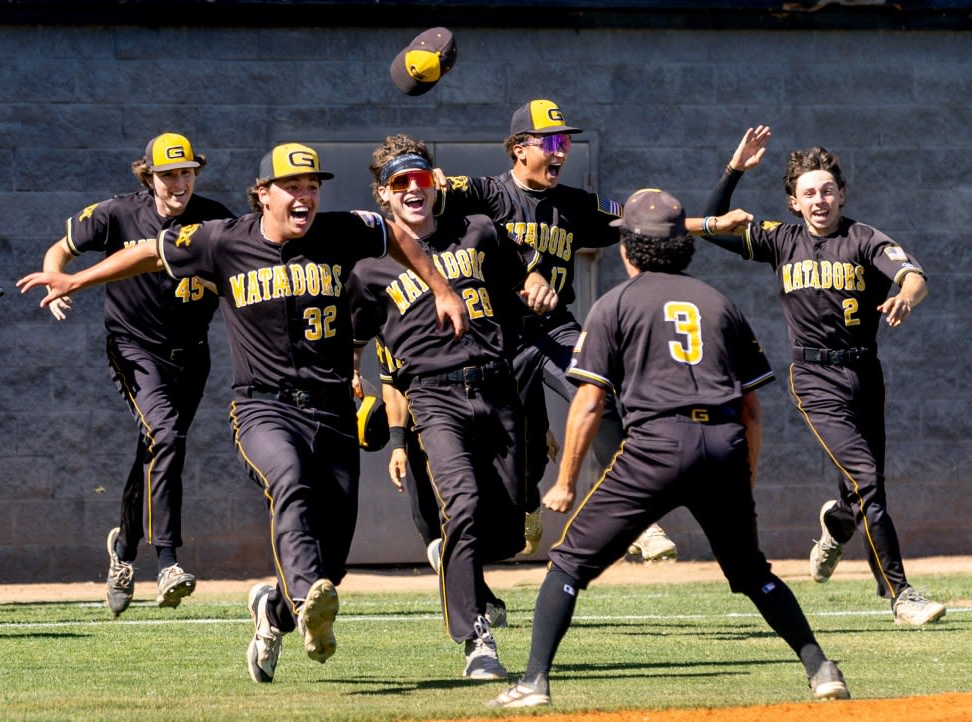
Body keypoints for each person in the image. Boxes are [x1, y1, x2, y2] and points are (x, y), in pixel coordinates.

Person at [18, 141, 468, 683]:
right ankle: (303, 600)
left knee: (336, 559)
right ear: (263, 194)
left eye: (312, 186)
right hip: (262, 408)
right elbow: (147, 252)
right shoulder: (221, 239)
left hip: (331, 412)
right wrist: (75, 279)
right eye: (292, 187)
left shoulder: (340, 229)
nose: (305, 196)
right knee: (291, 482)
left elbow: (395, 236)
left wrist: (442, 288)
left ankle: (274, 610)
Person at [488, 189, 849, 708]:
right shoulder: (719, 303)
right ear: (683, 246)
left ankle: (532, 683)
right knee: (750, 572)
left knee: (568, 564)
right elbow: (751, 410)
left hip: (655, 446)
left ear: (627, 248)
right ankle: (822, 668)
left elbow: (589, 401)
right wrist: (742, 477)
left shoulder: (613, 304)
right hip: (722, 443)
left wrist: (566, 481)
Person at [437, 99, 751, 560]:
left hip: (554, 329)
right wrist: (431, 180)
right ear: (519, 149)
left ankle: (641, 520)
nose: (562, 151)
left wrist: (710, 223)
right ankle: (527, 503)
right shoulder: (488, 193)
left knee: (599, 392)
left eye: (565, 141)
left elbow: (647, 224)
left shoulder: (575, 204)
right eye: (551, 142)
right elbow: (429, 198)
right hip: (498, 340)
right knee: (519, 456)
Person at [700, 138, 946, 626]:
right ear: (794, 201)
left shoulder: (865, 239)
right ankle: (900, 594)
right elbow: (711, 226)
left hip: (864, 373)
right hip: (814, 377)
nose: (819, 200)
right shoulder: (779, 238)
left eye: (828, 190)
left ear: (842, 194)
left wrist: (906, 297)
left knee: (863, 486)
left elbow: (914, 275)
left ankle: (836, 526)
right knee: (869, 481)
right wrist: (733, 171)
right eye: (809, 193)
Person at [347, 134, 557, 679]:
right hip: (433, 397)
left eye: (421, 178)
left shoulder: (477, 230)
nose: (412, 190)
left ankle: (463, 562)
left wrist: (535, 282)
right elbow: (354, 335)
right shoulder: (369, 267)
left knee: (510, 529)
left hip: (496, 387)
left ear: (435, 184)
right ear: (383, 194)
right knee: (459, 507)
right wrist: (352, 378)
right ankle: (476, 639)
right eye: (400, 183)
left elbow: (521, 272)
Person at [38, 132, 235, 617]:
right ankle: (167, 561)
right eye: (168, 174)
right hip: (134, 348)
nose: (179, 182)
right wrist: (58, 283)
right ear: (148, 177)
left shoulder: (216, 217)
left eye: (187, 172)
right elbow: (60, 250)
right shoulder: (117, 213)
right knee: (165, 436)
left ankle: (124, 548)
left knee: (156, 447)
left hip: (191, 354)